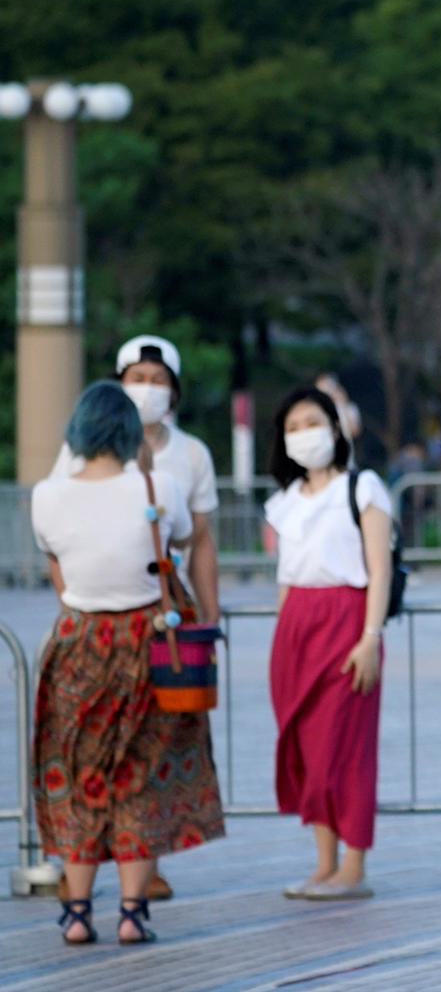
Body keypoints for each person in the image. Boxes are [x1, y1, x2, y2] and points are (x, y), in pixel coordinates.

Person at [32, 381, 224, 945]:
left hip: (78, 643)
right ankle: (133, 912)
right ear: (127, 433)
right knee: (141, 774)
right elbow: (187, 538)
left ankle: (76, 913)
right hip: (149, 642)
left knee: (74, 773)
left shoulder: (47, 495)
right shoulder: (156, 485)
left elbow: (61, 576)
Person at [265, 387, 393, 901]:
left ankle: (353, 864)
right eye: (292, 427)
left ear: (335, 426)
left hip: (346, 620)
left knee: (347, 747)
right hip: (296, 623)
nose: (303, 434)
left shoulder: (363, 488)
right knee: (307, 746)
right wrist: (281, 636)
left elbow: (378, 569)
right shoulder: (283, 502)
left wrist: (369, 637)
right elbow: (285, 575)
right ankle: (323, 862)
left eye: (312, 422)